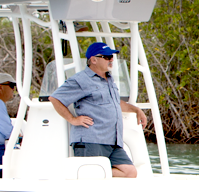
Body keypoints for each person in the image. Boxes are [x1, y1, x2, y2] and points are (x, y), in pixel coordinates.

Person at [49, 42, 148, 178]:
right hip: (91, 140)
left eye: (111, 56)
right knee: (92, 174)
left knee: (130, 172)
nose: (111, 59)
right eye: (107, 57)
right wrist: (72, 119)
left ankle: (102, 171)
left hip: (112, 141)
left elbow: (115, 103)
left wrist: (136, 110)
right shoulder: (81, 79)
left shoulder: (109, 79)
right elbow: (55, 98)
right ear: (94, 60)